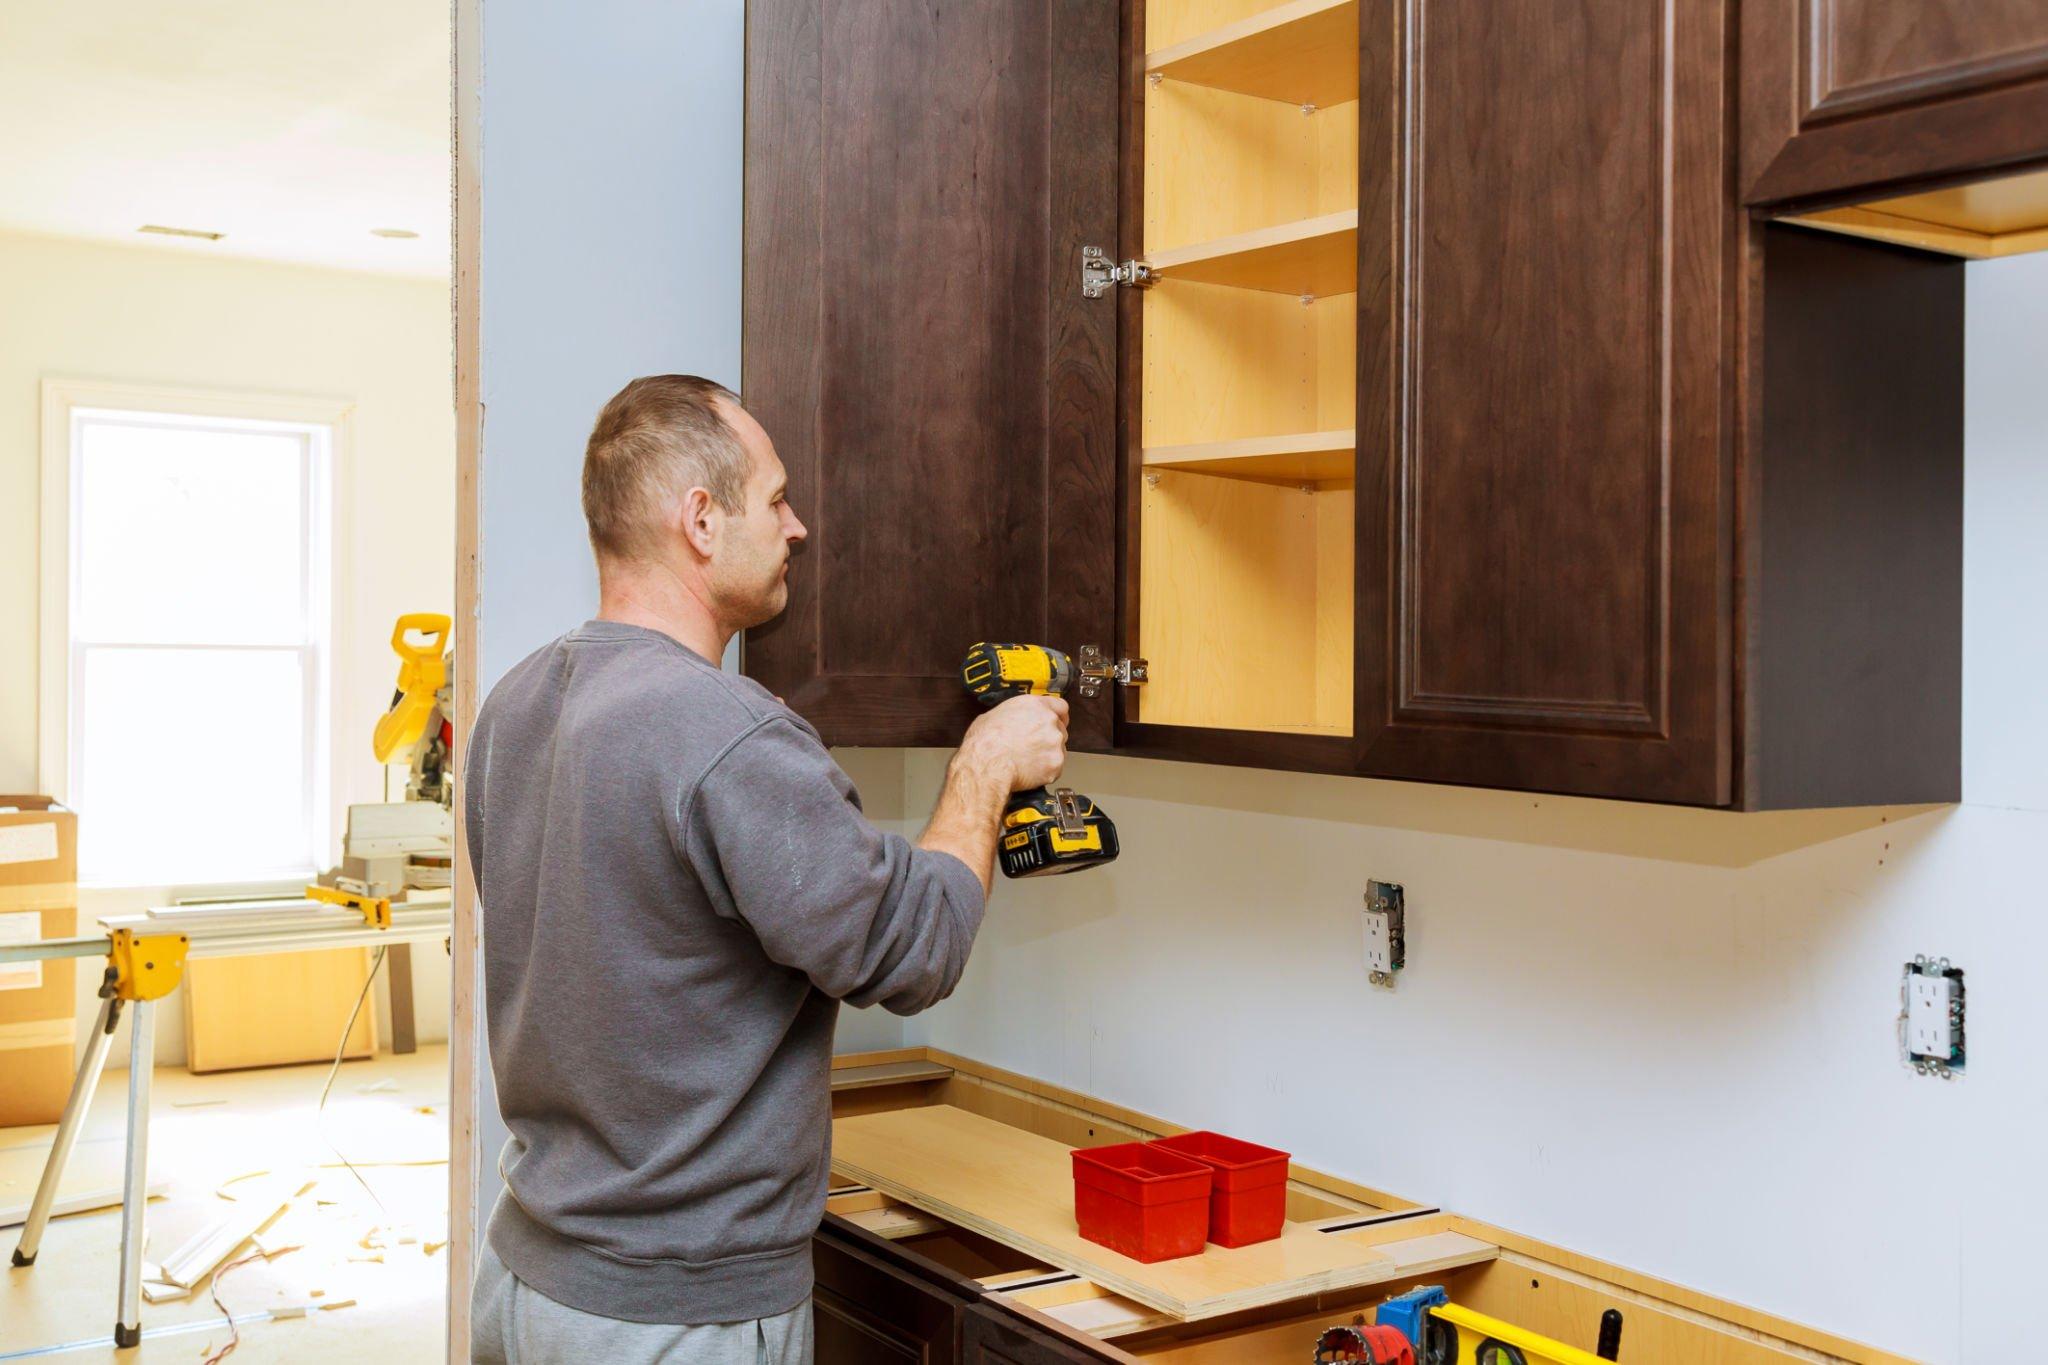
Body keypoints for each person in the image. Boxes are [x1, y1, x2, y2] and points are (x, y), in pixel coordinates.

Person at [465, 375, 1067, 1363]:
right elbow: (909, 952)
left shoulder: (519, 700)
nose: (797, 527)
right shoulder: (724, 734)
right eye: (777, 497)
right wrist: (987, 766)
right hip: (670, 1318)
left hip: (529, 1282)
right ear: (700, 520)